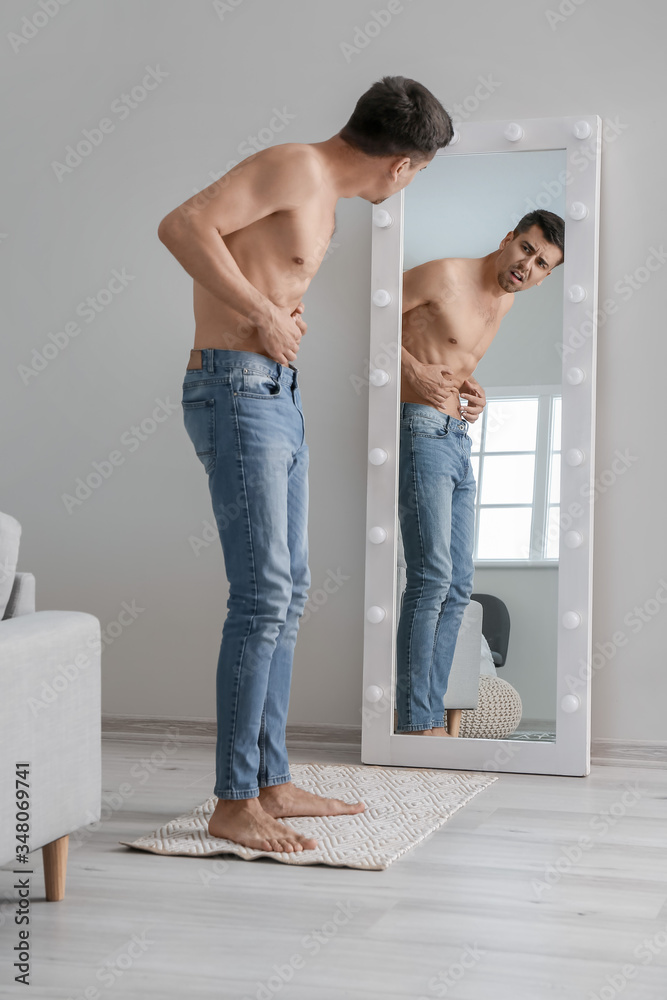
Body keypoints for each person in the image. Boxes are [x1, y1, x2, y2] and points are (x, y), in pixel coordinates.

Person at [157, 77, 453, 852]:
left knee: (286, 595)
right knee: (262, 595)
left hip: (273, 391)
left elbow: (253, 264)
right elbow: (181, 225)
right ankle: (232, 801)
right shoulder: (294, 165)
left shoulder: (321, 196)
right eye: (418, 172)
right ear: (401, 165)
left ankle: (271, 782)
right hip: (234, 388)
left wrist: (275, 309)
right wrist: (261, 311)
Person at [395, 209, 564, 736]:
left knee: (459, 584)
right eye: (527, 249)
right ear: (508, 238)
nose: (527, 266)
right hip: (420, 428)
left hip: (456, 438)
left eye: (542, 264)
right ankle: (416, 723)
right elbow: (369, 322)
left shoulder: (505, 300)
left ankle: (432, 719)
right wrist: (415, 370)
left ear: (546, 276)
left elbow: (454, 352)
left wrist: (473, 387)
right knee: (431, 578)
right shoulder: (443, 274)